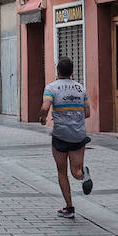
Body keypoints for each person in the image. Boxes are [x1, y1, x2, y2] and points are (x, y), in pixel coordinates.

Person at [40, 56, 93, 219]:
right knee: (75, 171)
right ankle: (85, 175)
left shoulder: (51, 88)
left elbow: (45, 107)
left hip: (61, 135)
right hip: (78, 135)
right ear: (72, 71)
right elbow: (88, 112)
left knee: (62, 171)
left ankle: (69, 208)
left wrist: (43, 118)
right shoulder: (80, 88)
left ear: (57, 71)